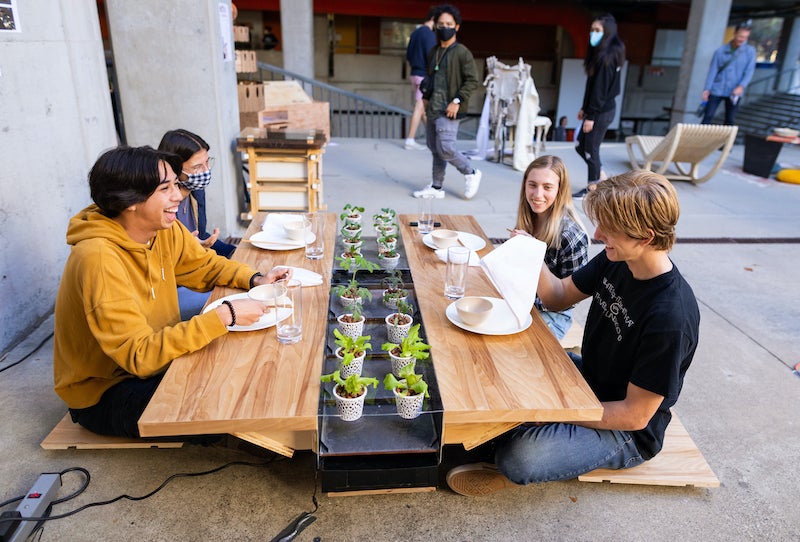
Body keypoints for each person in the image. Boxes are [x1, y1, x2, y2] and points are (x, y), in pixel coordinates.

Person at [446, 170, 700, 496]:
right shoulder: (619, 260)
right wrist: (530, 252)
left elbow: (635, 415)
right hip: (588, 382)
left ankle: (506, 451)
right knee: (512, 357)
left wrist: (553, 412)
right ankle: (518, 430)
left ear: (645, 237)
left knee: (521, 459)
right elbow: (557, 295)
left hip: (626, 429)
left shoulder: (670, 317)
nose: (597, 233)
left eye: (609, 227)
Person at [53, 146, 291, 438]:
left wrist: (255, 278)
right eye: (165, 188)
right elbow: (139, 356)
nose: (178, 195)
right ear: (130, 201)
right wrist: (224, 316)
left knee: (245, 366)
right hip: (107, 391)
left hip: (157, 359)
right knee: (232, 400)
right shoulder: (98, 259)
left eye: (175, 185)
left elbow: (204, 265)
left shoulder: (162, 229)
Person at [509, 156, 588, 339]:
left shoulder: (571, 236)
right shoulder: (529, 219)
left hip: (553, 315)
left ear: (560, 190)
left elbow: (570, 300)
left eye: (547, 187)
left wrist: (531, 252)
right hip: (520, 302)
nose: (537, 195)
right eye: (532, 185)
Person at [413, 3, 481, 200]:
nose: (444, 27)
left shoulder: (462, 52)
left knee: (446, 148)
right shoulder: (434, 51)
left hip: (449, 110)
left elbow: (472, 80)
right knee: (435, 149)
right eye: (441, 24)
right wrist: (425, 100)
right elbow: (430, 79)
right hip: (433, 107)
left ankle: (471, 172)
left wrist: (457, 100)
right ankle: (436, 187)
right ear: (435, 26)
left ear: (457, 26)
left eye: (449, 24)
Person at [157, 129, 237, 259]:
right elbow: (166, 253)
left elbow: (200, 235)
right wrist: (191, 247)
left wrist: (231, 252)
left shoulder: (196, 191)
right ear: (174, 168)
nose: (206, 171)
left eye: (207, 162)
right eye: (197, 167)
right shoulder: (160, 204)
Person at [572, 13, 625, 199]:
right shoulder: (602, 55)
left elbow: (601, 91)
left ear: (607, 33)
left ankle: (592, 188)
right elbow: (593, 87)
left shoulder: (608, 57)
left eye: (597, 30)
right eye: (592, 30)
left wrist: (591, 116)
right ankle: (601, 178)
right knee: (582, 146)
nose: (592, 34)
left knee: (590, 149)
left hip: (601, 112)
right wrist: (584, 108)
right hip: (597, 110)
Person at [701, 20, 756, 126]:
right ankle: (701, 141)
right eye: (740, 36)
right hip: (717, 88)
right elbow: (713, 71)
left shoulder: (750, 51)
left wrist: (742, 86)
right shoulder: (720, 51)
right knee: (708, 116)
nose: (742, 40)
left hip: (734, 91)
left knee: (730, 119)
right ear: (735, 34)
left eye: (745, 37)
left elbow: (749, 71)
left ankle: (727, 142)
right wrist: (707, 89)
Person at [404, 9, 437, 151]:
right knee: (419, 106)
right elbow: (432, 57)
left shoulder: (415, 33)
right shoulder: (429, 34)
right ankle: (410, 139)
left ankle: (433, 139)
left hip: (414, 73)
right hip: (424, 75)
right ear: (434, 18)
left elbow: (408, 55)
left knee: (422, 108)